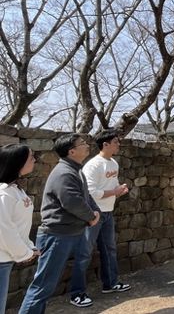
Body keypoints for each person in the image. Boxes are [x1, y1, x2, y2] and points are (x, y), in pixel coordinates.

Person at [19, 134, 100, 314]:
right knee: (43, 285)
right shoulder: (64, 172)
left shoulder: (76, 170)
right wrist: (90, 216)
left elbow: (86, 196)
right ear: (72, 151)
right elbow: (72, 201)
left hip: (68, 233)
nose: (87, 145)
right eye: (82, 143)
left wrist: (95, 211)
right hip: (56, 235)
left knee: (46, 285)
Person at [69, 129, 130, 307]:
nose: (119, 145)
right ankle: (77, 293)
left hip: (108, 212)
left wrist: (119, 191)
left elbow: (113, 186)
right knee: (84, 253)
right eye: (116, 142)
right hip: (93, 214)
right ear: (105, 144)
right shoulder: (93, 165)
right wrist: (113, 192)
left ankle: (110, 283)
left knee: (109, 249)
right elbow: (90, 193)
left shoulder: (113, 163)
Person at [0, 144, 39, 313]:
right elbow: (4, 230)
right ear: (18, 162)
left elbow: (18, 225)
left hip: (6, 259)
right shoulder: (4, 193)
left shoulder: (15, 189)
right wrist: (25, 253)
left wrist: (29, 247)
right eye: (31, 157)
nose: (35, 160)